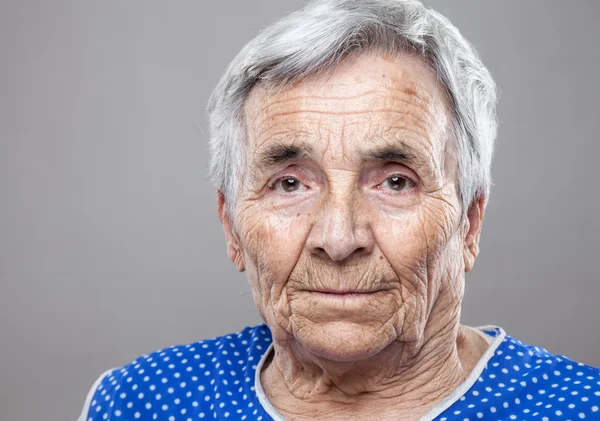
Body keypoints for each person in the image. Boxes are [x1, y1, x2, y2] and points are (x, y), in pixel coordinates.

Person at [78, 0, 600, 420]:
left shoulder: (580, 408)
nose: (338, 236)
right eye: (289, 184)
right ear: (230, 225)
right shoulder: (136, 403)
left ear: (469, 223)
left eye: (395, 181)